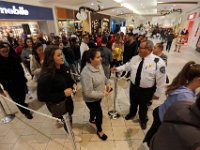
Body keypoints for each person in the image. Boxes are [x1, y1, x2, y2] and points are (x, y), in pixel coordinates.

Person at [112, 40, 166, 129]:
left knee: (143, 106)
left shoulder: (158, 62)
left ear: (149, 49)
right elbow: (127, 66)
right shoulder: (136, 58)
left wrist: (158, 94)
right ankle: (132, 113)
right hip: (133, 86)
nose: (138, 49)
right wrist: (117, 69)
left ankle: (143, 119)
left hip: (146, 90)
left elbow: (161, 80)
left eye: (141, 48)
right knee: (133, 102)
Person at [143, 61, 200, 146]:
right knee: (155, 133)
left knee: (153, 130)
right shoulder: (186, 96)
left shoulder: (182, 84)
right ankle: (149, 143)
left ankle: (148, 141)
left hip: (160, 111)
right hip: (163, 117)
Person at [37, 45, 77, 132]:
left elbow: (69, 79)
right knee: (66, 119)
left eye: (61, 54)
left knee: (69, 115)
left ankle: (66, 127)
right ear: (51, 58)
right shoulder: (46, 76)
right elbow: (42, 97)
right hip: (59, 104)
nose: (62, 57)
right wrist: (62, 94)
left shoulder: (64, 68)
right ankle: (69, 133)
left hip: (68, 101)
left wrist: (74, 84)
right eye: (58, 55)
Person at [81, 48, 111, 141]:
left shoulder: (99, 65)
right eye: (98, 57)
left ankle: (91, 119)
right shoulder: (86, 73)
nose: (101, 59)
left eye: (100, 56)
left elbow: (104, 76)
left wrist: (108, 83)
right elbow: (88, 93)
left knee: (94, 110)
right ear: (91, 59)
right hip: (91, 100)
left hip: (99, 96)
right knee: (99, 114)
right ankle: (99, 130)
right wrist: (103, 94)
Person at [0, 43, 33, 119]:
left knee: (22, 96)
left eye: (6, 51)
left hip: (19, 81)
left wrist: (24, 79)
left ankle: (23, 105)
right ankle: (25, 112)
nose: (6, 53)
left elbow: (20, 69)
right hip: (9, 85)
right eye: (3, 51)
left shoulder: (13, 57)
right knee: (17, 99)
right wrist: (2, 89)